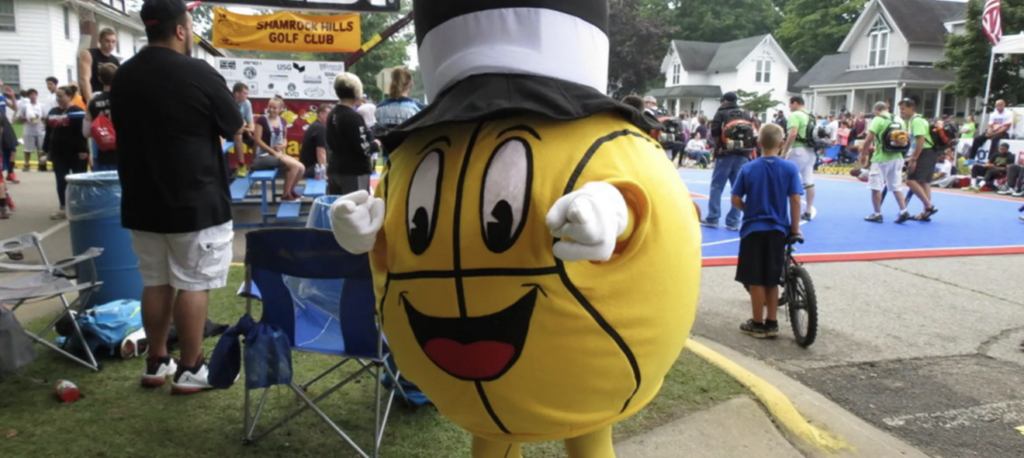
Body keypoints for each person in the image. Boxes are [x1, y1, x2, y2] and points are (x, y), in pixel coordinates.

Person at [111, 0, 244, 394]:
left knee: (155, 281)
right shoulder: (197, 71)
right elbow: (233, 124)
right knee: (192, 283)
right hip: (194, 200)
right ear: (182, 30)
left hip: (141, 198)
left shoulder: (124, 76)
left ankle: (157, 361)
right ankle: (191, 367)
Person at [730, 123, 803, 339]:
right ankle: (772, 321)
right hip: (777, 229)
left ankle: (757, 321)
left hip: (754, 228)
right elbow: (796, 200)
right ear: (781, 144)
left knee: (755, 278)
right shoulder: (790, 169)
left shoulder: (749, 168)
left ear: (759, 143)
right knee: (772, 278)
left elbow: (735, 199)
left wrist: (749, 209)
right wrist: (795, 228)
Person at [701, 92, 756, 230]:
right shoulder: (745, 113)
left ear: (724, 101)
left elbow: (714, 131)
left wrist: (718, 146)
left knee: (717, 186)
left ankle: (713, 218)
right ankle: (733, 221)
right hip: (743, 153)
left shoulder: (721, 113)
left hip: (725, 153)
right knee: (737, 188)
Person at [42, 86, 89, 220]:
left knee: (79, 180)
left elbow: (82, 134)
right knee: (61, 179)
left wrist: (83, 150)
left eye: (61, 96)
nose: (58, 99)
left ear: (69, 96)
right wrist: (45, 149)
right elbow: (49, 132)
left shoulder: (78, 112)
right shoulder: (53, 111)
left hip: (76, 152)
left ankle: (81, 206)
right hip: (58, 152)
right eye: (57, 96)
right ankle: (63, 207)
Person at [325, 73, 375, 195]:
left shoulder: (332, 114)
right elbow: (364, 149)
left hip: (335, 168)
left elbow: (329, 141)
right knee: (355, 211)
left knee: (337, 210)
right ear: (357, 91)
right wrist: (376, 144)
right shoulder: (353, 117)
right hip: (354, 172)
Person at [860, 102, 910, 223]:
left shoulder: (878, 120)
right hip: (897, 156)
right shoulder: (899, 119)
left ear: (876, 110)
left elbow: (869, 138)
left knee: (875, 186)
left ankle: (877, 214)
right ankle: (903, 210)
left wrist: (863, 153)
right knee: (896, 185)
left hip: (882, 157)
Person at [251, 95, 306, 200]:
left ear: (280, 109)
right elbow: (257, 140)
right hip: (263, 156)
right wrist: (273, 152)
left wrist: (284, 144)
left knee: (301, 168)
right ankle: (285, 195)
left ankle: (291, 190)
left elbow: (285, 138)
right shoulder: (261, 120)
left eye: (274, 108)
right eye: (270, 107)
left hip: (277, 154)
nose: (271, 110)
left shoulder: (283, 121)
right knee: (294, 166)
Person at [900, 99, 939, 221]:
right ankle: (925, 212)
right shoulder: (918, 119)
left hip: (924, 152)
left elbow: (920, 140)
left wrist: (914, 158)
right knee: (924, 182)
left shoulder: (916, 121)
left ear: (911, 108)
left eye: (903, 109)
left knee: (910, 181)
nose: (901, 112)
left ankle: (928, 206)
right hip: (929, 152)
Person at [781, 96, 816, 220]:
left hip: (798, 150)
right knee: (808, 181)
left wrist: (785, 150)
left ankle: (782, 209)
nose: (789, 107)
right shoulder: (811, 116)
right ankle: (808, 210)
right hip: (811, 150)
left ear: (795, 103)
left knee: (786, 179)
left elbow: (793, 133)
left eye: (790, 104)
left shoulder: (795, 115)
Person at [84, 63, 118, 171]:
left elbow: (86, 132)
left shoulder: (93, 101)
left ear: (100, 78)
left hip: (101, 149)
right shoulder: (124, 98)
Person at [79, 28, 120, 103]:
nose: (110, 44)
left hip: (108, 98)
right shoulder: (89, 54)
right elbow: (85, 78)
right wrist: (89, 101)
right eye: (107, 41)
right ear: (100, 40)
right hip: (93, 95)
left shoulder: (115, 61)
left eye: (113, 42)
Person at [16, 89, 46, 172]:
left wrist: (39, 117)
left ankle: (42, 164)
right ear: (28, 96)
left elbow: (45, 116)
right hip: (29, 129)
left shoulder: (41, 106)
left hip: (39, 129)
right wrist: (27, 118)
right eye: (31, 95)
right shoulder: (25, 106)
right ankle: (26, 164)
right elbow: (19, 117)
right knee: (27, 149)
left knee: (41, 148)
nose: (33, 96)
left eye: (34, 94)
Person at [299, 104, 331, 178]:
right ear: (321, 114)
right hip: (313, 169)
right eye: (329, 114)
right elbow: (321, 153)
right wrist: (324, 174)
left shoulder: (315, 125)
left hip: (309, 167)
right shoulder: (321, 128)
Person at [232, 82, 254, 176]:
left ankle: (255, 164)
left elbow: (250, 122)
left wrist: (251, 130)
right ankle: (241, 165)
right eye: (245, 93)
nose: (247, 96)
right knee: (238, 136)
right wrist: (246, 130)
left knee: (257, 135)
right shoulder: (228, 102)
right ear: (237, 93)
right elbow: (230, 123)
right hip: (229, 130)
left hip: (242, 128)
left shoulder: (246, 103)